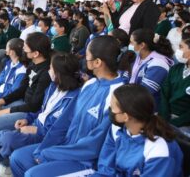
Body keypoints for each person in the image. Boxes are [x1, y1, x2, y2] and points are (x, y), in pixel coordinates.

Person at [10, 36, 125, 177]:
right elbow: (64, 122)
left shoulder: (117, 94)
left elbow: (95, 144)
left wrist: (52, 153)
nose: (84, 59)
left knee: (33, 174)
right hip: (67, 146)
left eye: (87, 56)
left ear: (97, 62)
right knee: (18, 158)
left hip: (87, 161)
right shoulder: (90, 84)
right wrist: (45, 147)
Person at [0, 53, 82, 177]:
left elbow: (61, 129)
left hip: (45, 135)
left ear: (59, 73)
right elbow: (41, 110)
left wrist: (36, 129)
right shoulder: (53, 87)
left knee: (8, 139)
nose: (49, 71)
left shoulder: (74, 98)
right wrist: (27, 119)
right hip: (34, 125)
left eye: (51, 68)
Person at [94, 84, 183, 177]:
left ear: (125, 116)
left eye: (112, 107)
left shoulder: (158, 148)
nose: (110, 111)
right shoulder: (117, 130)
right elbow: (106, 170)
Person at [0, 32, 52, 131]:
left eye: (26, 50)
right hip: (23, 102)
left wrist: (6, 111)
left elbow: (34, 105)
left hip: (30, 111)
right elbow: (22, 89)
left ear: (35, 54)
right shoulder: (32, 64)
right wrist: (0, 101)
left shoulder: (46, 73)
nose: (23, 51)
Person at [129, 28, 174, 108]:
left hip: (149, 109)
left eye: (132, 43)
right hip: (136, 103)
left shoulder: (158, 64)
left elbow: (146, 92)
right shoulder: (138, 57)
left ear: (142, 45)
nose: (129, 45)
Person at [160, 37, 190, 135]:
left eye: (181, 47)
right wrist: (164, 118)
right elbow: (164, 93)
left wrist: (174, 123)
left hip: (184, 122)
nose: (178, 50)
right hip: (166, 116)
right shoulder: (175, 69)